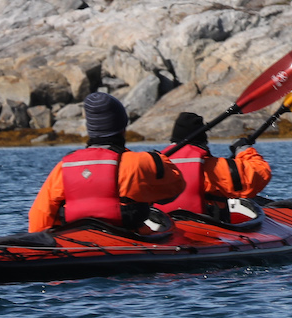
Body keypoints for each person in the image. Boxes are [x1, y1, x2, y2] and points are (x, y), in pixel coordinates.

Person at [27, 92, 184, 232]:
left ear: (91, 129)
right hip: (130, 236)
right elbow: (176, 188)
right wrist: (157, 162)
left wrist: (40, 243)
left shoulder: (65, 166)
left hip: (75, 239)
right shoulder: (141, 162)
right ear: (122, 128)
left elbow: (39, 213)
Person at [155, 111, 273, 220]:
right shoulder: (211, 167)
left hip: (164, 228)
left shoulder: (156, 164)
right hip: (204, 232)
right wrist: (243, 150)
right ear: (203, 141)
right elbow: (260, 173)